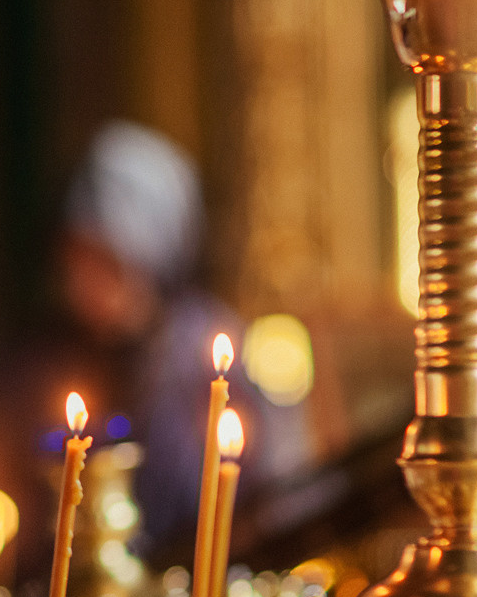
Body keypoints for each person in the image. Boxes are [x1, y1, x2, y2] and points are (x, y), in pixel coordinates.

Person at [28, 121, 311, 561]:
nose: (84, 286)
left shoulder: (213, 352)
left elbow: (272, 501)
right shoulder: (50, 357)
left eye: (104, 262)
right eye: (75, 261)